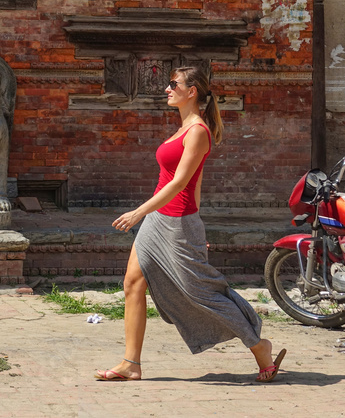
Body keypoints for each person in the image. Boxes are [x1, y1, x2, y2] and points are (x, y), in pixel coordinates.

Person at [94, 66, 286, 383]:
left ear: (192, 90)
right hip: (159, 220)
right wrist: (151, 215)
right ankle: (131, 363)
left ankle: (258, 346)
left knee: (201, 294)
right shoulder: (182, 128)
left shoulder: (198, 131)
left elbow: (182, 182)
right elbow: (190, 182)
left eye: (173, 84)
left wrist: (140, 213)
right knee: (133, 284)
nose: (167, 89)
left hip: (176, 223)